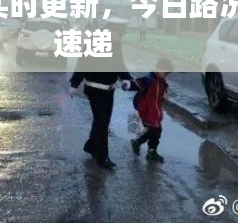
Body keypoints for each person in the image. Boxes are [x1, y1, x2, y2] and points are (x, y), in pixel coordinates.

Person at [69, 18, 133, 169]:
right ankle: (102, 157)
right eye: (119, 34)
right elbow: (82, 63)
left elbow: (119, 64)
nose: (120, 37)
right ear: (110, 30)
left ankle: (91, 146)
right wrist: (74, 84)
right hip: (95, 89)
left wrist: (126, 78)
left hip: (109, 90)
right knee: (102, 123)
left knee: (101, 121)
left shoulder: (115, 45)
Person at [129, 57, 174, 163]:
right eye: (165, 73)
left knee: (155, 130)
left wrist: (164, 94)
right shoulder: (150, 79)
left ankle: (142, 145)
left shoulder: (161, 82)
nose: (165, 76)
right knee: (154, 130)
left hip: (154, 111)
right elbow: (137, 84)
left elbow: (159, 96)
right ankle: (149, 150)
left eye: (167, 74)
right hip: (147, 111)